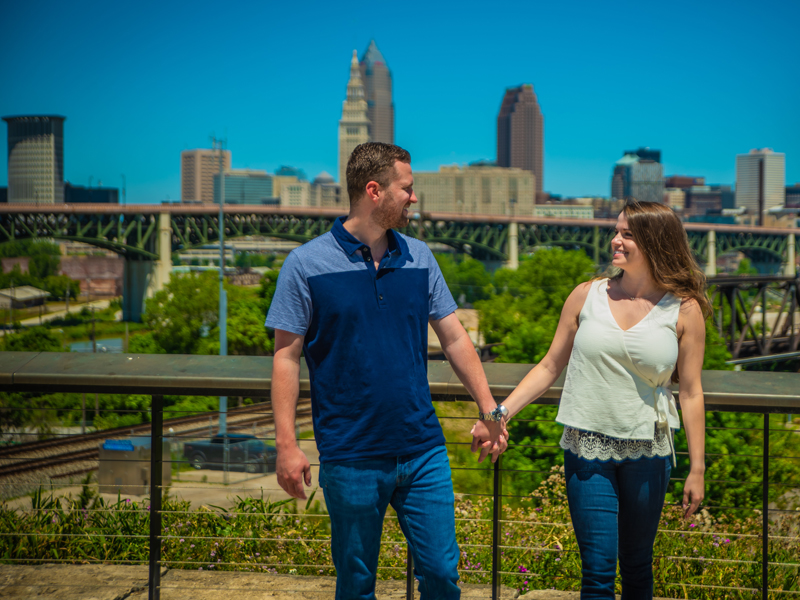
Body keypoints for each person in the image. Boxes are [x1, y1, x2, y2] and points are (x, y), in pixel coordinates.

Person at [266, 142, 506, 599]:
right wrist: (287, 447)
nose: (414, 198)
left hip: (423, 448)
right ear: (374, 191)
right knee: (356, 584)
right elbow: (285, 357)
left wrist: (491, 411)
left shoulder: (421, 257)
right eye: (407, 188)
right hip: (350, 453)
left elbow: (454, 338)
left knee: (441, 573)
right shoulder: (305, 264)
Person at [473, 200, 707, 599]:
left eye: (628, 234)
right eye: (616, 231)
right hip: (588, 451)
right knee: (597, 572)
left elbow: (691, 391)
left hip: (649, 453)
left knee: (637, 566)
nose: (616, 240)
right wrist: (499, 413)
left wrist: (698, 468)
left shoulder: (684, 309)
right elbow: (549, 367)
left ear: (655, 242)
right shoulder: (586, 295)